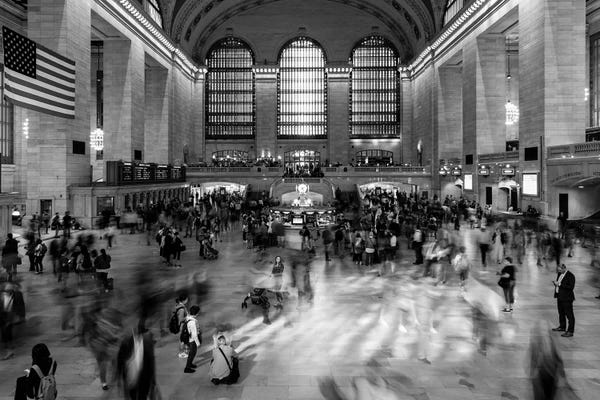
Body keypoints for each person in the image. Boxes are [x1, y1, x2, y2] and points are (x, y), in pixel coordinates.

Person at [552, 263, 576, 337]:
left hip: (567, 298)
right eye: (558, 270)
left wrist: (559, 284)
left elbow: (571, 287)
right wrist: (556, 284)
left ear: (564, 268)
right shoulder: (559, 274)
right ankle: (562, 327)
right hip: (560, 297)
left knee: (569, 315)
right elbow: (559, 284)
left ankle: (570, 331)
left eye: (560, 270)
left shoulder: (570, 275)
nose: (559, 271)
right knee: (561, 313)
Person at [183, 305, 201, 373]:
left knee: (192, 353)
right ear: (196, 313)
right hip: (192, 340)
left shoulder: (188, 317)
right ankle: (187, 368)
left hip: (188, 338)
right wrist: (198, 343)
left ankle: (190, 364)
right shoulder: (193, 322)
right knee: (192, 353)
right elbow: (194, 335)